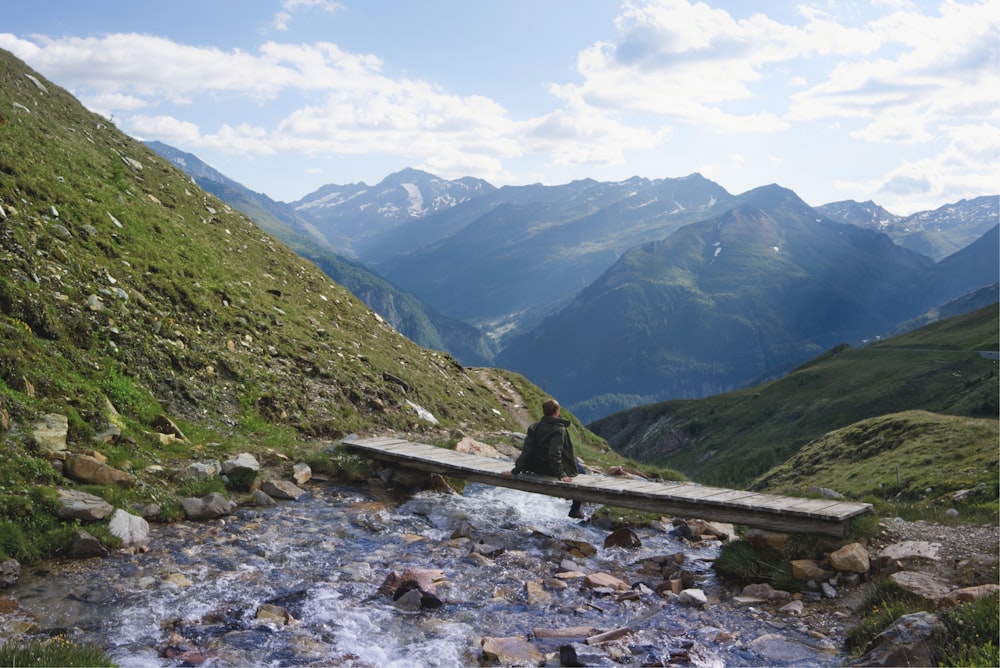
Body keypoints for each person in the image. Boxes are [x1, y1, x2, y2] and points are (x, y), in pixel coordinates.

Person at [502, 398, 585, 518]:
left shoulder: (534, 427)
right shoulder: (559, 429)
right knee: (581, 471)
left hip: (535, 467)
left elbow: (527, 451)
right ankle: (575, 509)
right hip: (550, 469)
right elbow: (554, 454)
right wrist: (561, 474)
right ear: (556, 412)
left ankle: (573, 504)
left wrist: (515, 471)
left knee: (578, 468)